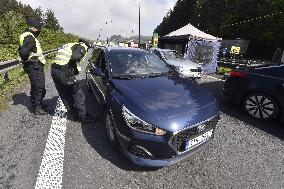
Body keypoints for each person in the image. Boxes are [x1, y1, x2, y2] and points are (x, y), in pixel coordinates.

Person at [51, 39, 92, 122]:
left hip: (54, 70)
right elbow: (75, 57)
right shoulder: (82, 47)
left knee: (64, 94)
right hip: (64, 72)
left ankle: (73, 115)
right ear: (86, 45)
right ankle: (83, 117)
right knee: (77, 93)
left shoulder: (69, 44)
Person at [18, 18, 47, 115]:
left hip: (34, 65)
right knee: (38, 87)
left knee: (38, 86)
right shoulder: (29, 36)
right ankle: (37, 108)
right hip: (34, 65)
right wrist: (25, 59)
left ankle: (39, 103)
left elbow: (22, 49)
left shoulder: (27, 35)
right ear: (34, 28)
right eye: (39, 28)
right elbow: (24, 52)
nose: (39, 30)